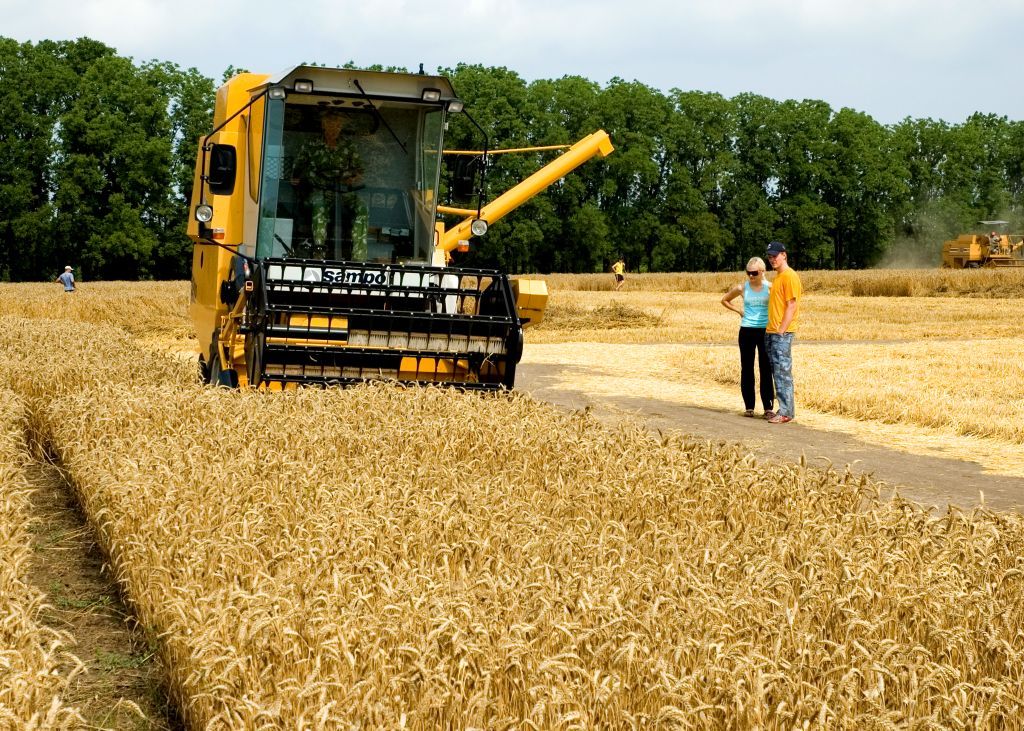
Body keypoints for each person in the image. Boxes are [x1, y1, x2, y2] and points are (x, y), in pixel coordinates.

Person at [721, 257, 775, 418]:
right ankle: (749, 407)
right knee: (747, 368)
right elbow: (724, 300)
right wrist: (740, 311)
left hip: (765, 330)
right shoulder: (742, 288)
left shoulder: (770, 288)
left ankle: (768, 408)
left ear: (762, 272)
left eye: (754, 273)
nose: (751, 276)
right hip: (746, 331)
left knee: (766, 368)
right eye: (748, 273)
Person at [764, 241, 802, 424]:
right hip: (771, 331)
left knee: (782, 372)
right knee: (777, 371)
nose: (772, 259)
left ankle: (786, 412)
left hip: (781, 333)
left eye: (775, 255)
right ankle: (783, 409)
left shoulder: (789, 277)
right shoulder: (778, 277)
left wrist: (781, 331)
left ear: (784, 255)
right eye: (770, 256)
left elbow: (791, 305)